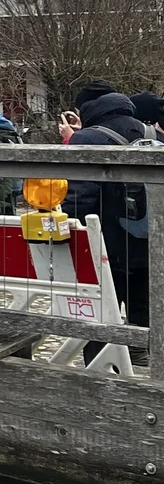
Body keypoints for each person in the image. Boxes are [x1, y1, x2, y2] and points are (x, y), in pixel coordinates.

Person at [63, 82, 151, 345]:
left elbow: (80, 195)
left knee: (101, 311)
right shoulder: (147, 130)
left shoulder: (86, 138)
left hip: (107, 240)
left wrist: (65, 225)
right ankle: (141, 350)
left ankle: (104, 363)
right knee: (142, 301)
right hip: (148, 236)